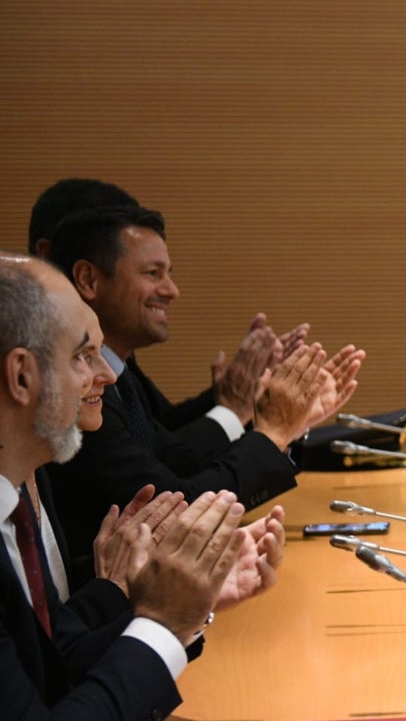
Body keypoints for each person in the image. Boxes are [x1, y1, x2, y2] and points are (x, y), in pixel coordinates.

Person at [0, 254, 275, 721]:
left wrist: (188, 602)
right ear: (21, 376)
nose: (105, 373)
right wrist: (166, 619)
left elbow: (54, 662)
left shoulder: (13, 502)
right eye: (83, 356)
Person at [45, 204, 362, 565]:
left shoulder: (122, 379)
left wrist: (286, 427)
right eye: (153, 273)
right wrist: (271, 431)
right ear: (88, 280)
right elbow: (176, 505)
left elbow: (183, 461)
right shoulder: (74, 396)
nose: (172, 290)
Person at [29, 177, 311, 440]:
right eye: (151, 273)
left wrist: (238, 391)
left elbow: (164, 434)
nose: (172, 291)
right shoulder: (54, 370)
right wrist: (239, 411)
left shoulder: (117, 359)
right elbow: (158, 476)